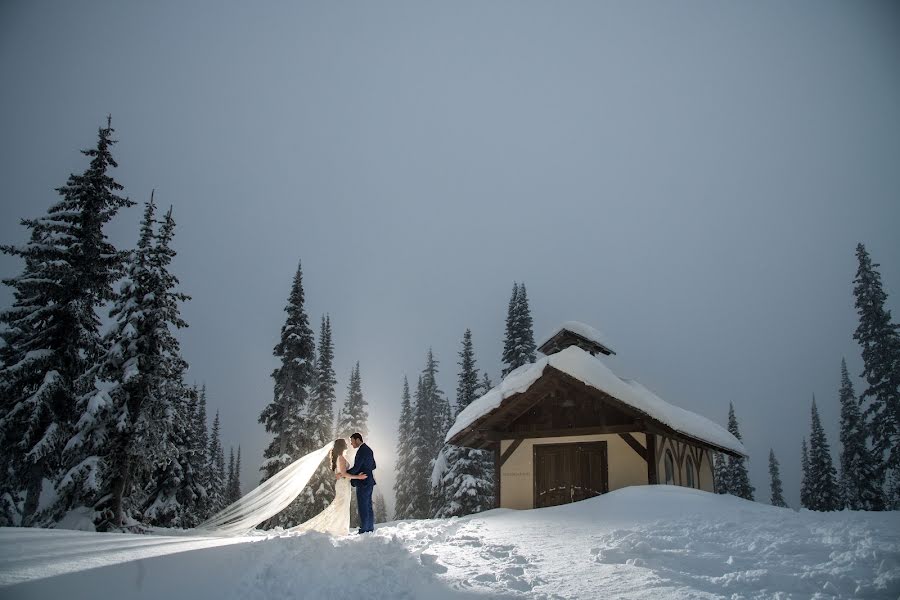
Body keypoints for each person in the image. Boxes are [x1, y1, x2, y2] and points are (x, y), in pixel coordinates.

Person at [288, 438, 367, 536]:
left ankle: (340, 529)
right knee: (341, 506)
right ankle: (340, 530)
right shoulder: (341, 457)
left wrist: (348, 474)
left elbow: (341, 473)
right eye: (345, 443)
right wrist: (358, 477)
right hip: (342, 485)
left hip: (343, 484)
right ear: (342, 446)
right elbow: (343, 473)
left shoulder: (339, 457)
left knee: (341, 507)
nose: (347, 444)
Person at [341, 432, 377, 534]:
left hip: (363, 482)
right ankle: (369, 528)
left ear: (357, 439)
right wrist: (366, 470)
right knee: (368, 506)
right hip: (369, 481)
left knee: (363, 506)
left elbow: (356, 467)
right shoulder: (368, 449)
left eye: (352, 442)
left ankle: (364, 529)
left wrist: (345, 474)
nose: (352, 444)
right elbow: (373, 466)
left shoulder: (361, 451)